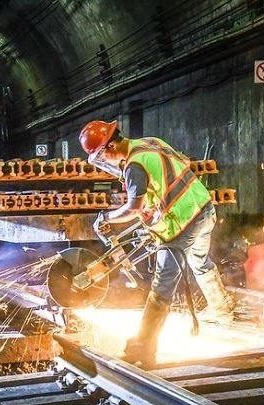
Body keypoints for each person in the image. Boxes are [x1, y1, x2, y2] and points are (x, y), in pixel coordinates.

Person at [79, 120, 235, 368]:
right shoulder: (150, 143)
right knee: (199, 262)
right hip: (204, 209)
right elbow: (174, 171)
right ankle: (222, 309)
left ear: (108, 149)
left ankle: (143, 346)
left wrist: (107, 218)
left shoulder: (133, 167)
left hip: (182, 224)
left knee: (163, 283)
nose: (105, 162)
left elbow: (133, 208)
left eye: (101, 157)